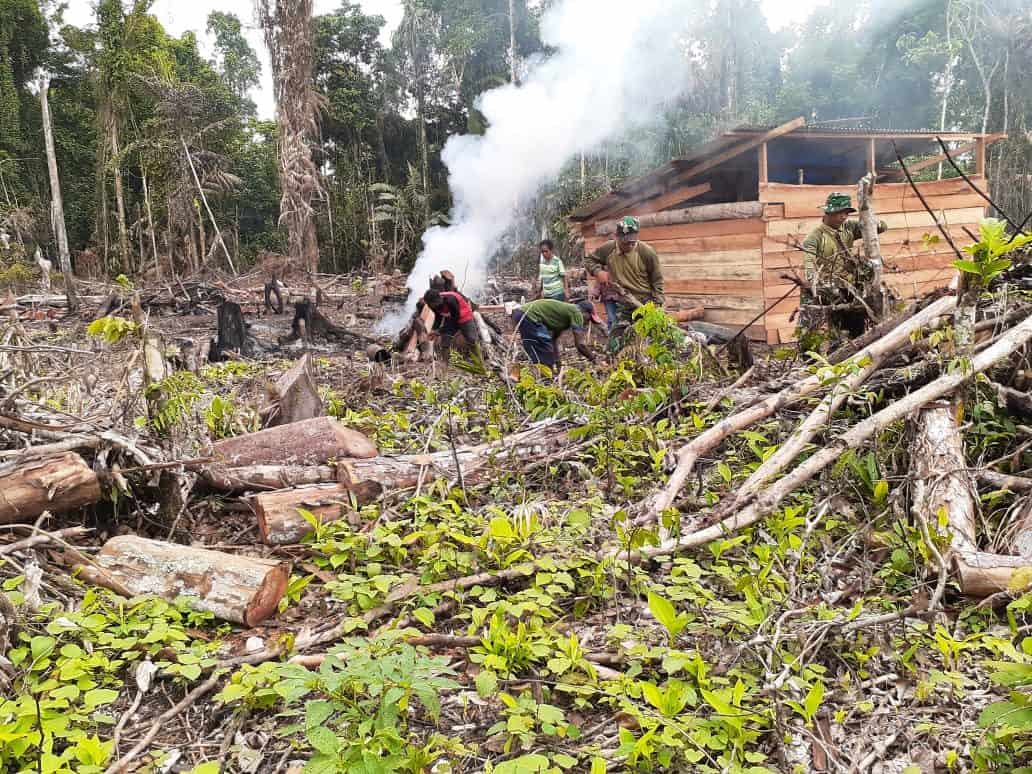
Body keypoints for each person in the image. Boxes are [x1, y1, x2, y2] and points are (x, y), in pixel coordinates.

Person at [800, 192, 888, 341]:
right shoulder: (815, 237)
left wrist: (869, 221)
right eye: (840, 212)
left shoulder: (848, 228)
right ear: (829, 212)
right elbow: (809, 267)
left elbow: (881, 227)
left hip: (848, 286)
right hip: (826, 287)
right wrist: (818, 284)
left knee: (855, 324)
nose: (844, 217)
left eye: (846, 213)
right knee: (815, 329)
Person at [584, 216, 664, 350]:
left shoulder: (646, 252)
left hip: (645, 303)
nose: (630, 245)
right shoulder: (609, 249)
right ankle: (611, 361)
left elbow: (657, 280)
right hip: (624, 302)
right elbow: (589, 261)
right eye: (626, 242)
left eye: (633, 242)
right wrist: (598, 272)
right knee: (615, 341)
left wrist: (657, 304)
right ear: (617, 237)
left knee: (651, 342)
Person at [510, 298, 602, 370]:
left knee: (537, 351)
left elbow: (553, 340)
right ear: (584, 312)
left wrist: (558, 362)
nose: (587, 322)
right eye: (589, 319)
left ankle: (539, 379)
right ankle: (546, 383)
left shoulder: (562, 318)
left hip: (520, 314)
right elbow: (580, 345)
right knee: (544, 352)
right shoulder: (576, 312)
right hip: (528, 316)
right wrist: (594, 359)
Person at [423, 288, 483, 369]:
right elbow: (438, 317)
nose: (432, 306)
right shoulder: (432, 304)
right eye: (430, 304)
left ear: (438, 299)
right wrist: (434, 329)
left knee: (472, 339)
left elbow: (455, 320)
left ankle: (479, 362)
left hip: (464, 316)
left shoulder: (450, 300)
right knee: (445, 340)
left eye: (433, 304)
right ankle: (445, 363)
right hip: (451, 317)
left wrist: (439, 331)